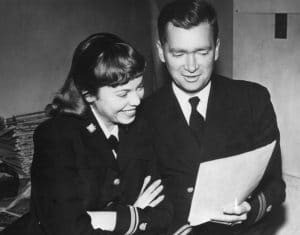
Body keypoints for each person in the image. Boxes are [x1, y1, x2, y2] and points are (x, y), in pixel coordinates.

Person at [2, 33, 172, 235]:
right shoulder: (56, 137)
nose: (136, 100)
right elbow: (69, 229)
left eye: (140, 87)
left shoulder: (141, 127)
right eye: (123, 93)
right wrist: (132, 215)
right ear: (88, 93)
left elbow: (163, 214)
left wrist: (99, 218)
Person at [140, 0, 286, 234]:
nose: (191, 66)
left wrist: (250, 209)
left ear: (217, 48)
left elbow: (276, 186)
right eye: (179, 53)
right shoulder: (143, 115)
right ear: (161, 52)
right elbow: (144, 196)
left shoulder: (252, 100)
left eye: (202, 52)